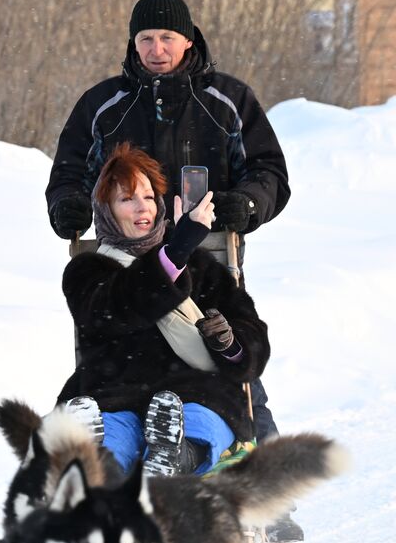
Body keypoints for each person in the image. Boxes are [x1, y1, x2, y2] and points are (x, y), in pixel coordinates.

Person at [45, 0, 289, 449]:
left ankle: (265, 488)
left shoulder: (226, 100)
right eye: (146, 39)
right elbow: (69, 171)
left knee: (225, 363)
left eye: (167, 37)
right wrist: (68, 205)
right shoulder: (104, 105)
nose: (156, 50)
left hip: (208, 253)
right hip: (123, 259)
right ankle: (114, 453)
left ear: (189, 41)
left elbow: (268, 170)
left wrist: (247, 203)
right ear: (132, 44)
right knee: (121, 354)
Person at [57, 143, 268, 478]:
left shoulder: (201, 268)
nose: (142, 207)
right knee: (111, 433)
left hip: (196, 390)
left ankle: (175, 458)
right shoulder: (88, 270)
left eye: (148, 196)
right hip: (115, 392)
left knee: (198, 422)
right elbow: (115, 308)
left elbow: (253, 338)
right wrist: (175, 254)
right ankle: (99, 471)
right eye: (127, 199)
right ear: (107, 210)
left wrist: (229, 343)